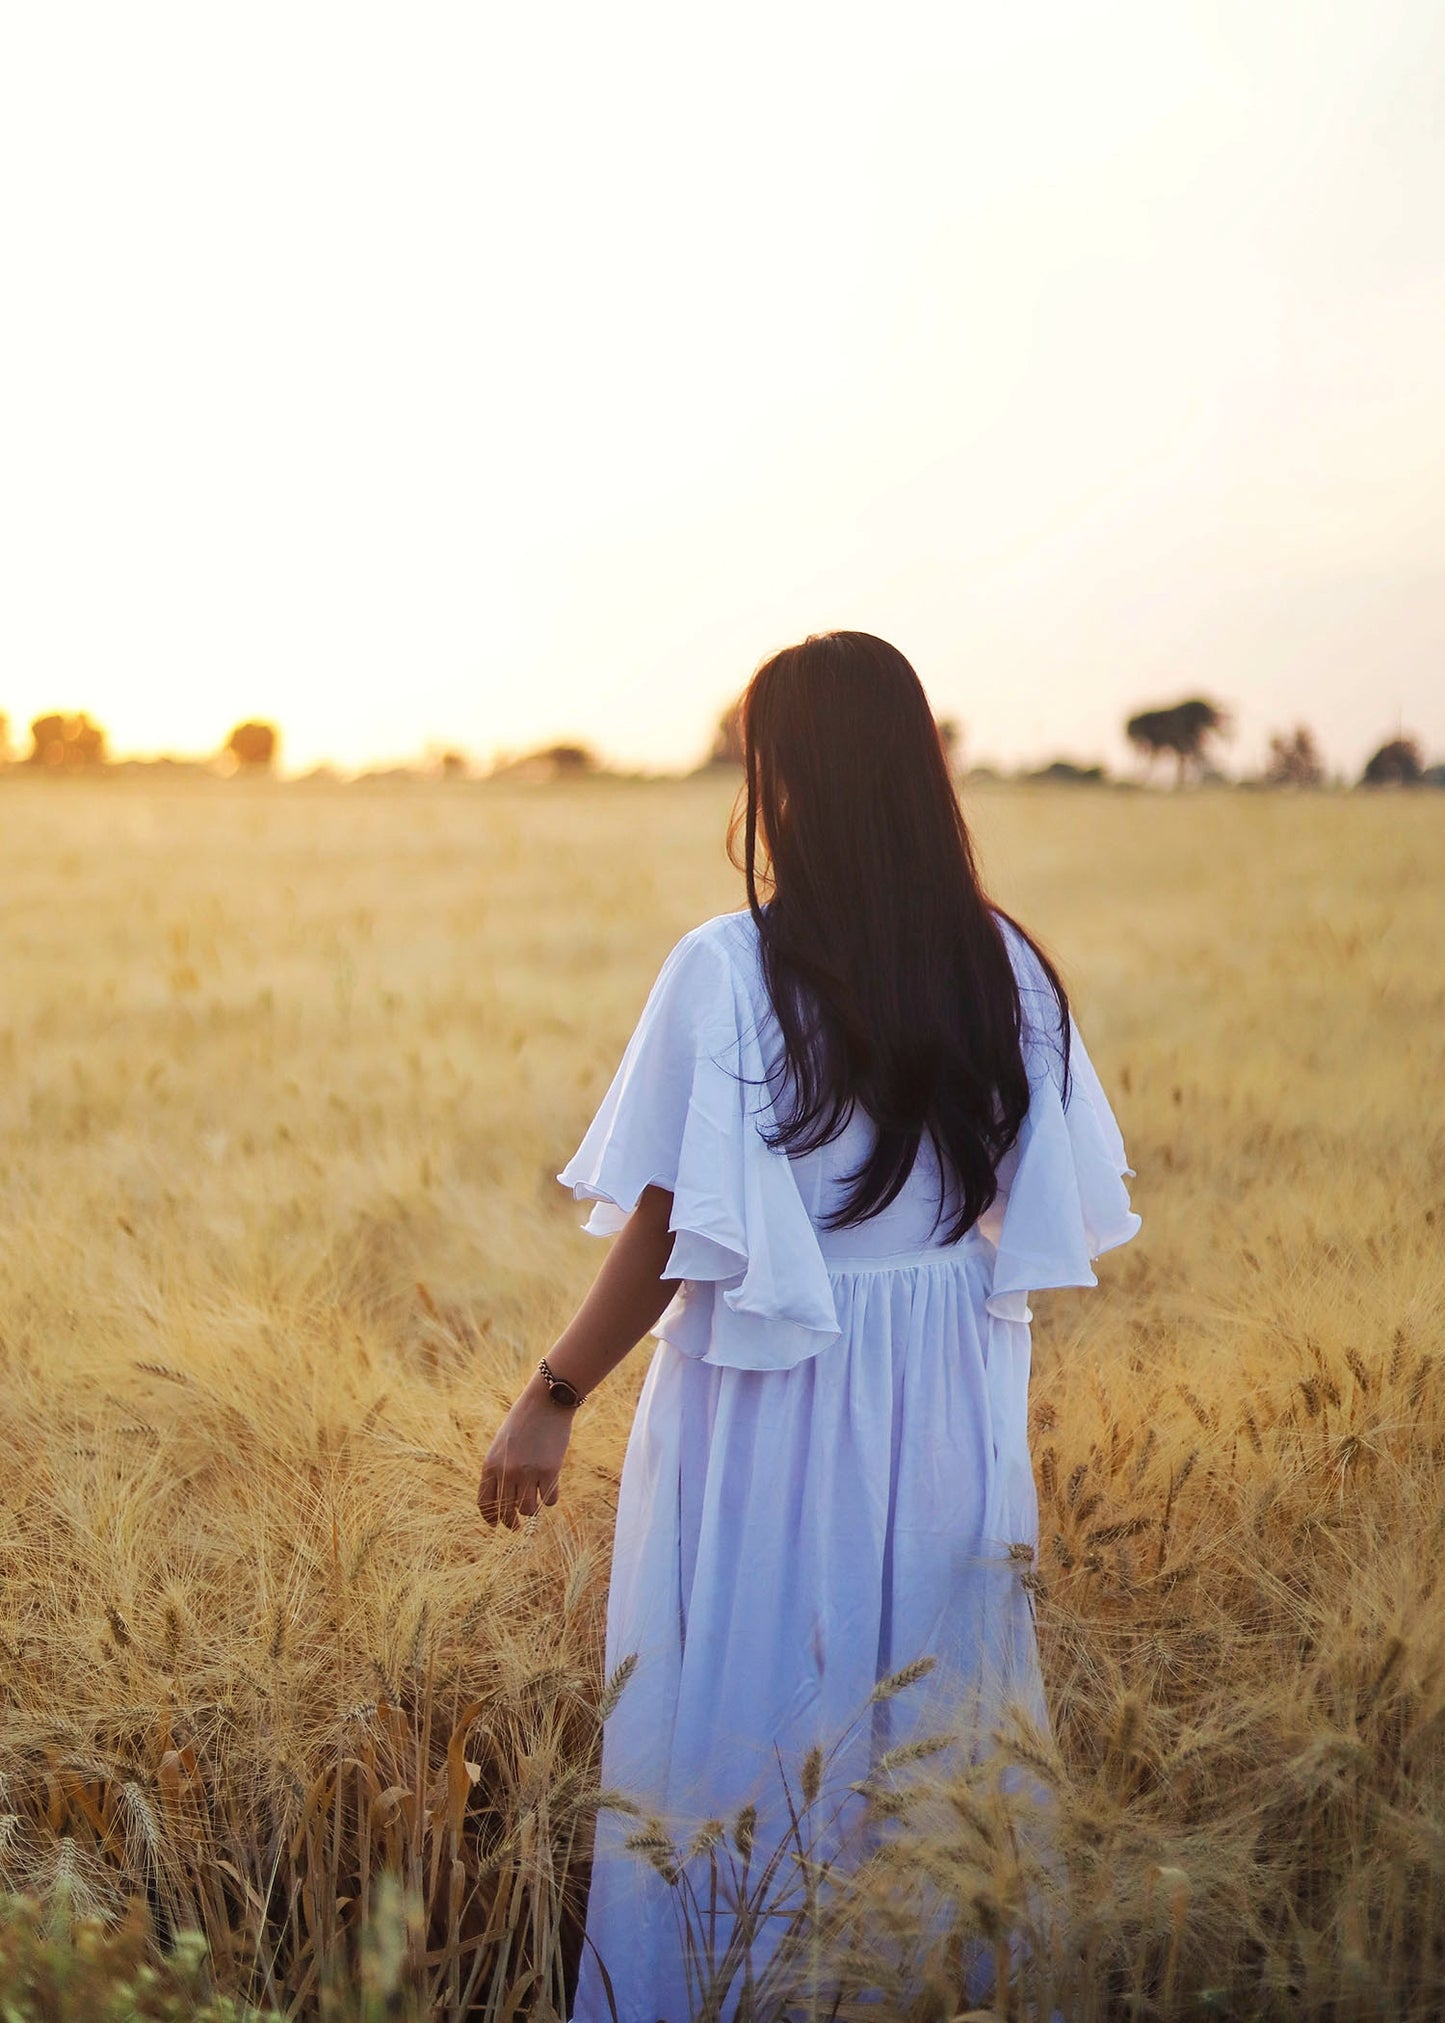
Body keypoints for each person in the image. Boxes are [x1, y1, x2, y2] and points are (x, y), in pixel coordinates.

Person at [477, 632, 1141, 2021]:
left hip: (769, 1391)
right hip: (947, 1391)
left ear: (787, 779)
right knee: (934, 1732)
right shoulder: (1003, 966)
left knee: (747, 1726)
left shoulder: (724, 968)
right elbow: (1033, 1212)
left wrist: (552, 1391)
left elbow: (668, 1230)